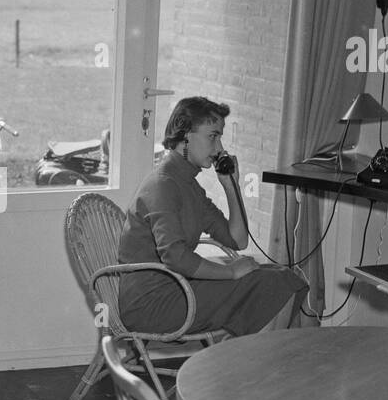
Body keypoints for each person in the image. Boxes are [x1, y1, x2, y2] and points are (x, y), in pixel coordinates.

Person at [118, 97, 307, 339]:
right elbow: (176, 258)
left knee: (279, 275)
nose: (219, 148)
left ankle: (251, 361)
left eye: (220, 138)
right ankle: (258, 364)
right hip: (151, 304)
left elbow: (237, 240)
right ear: (185, 135)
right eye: (213, 136)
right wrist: (230, 272)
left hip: (179, 288)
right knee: (276, 284)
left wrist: (231, 185)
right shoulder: (163, 184)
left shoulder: (188, 185)